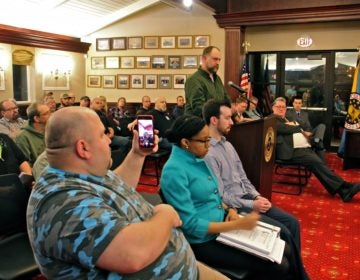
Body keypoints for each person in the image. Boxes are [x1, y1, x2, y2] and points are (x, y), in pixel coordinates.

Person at [26, 106, 228, 279]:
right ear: (83, 148)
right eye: (103, 134)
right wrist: (165, 215)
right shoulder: (62, 202)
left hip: (183, 268)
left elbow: (117, 186)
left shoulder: (82, 171)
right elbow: (133, 254)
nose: (108, 140)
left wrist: (138, 154)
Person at [161, 114, 297, 280]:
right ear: (185, 142)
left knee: (286, 249)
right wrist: (237, 225)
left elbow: (215, 195)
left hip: (223, 226)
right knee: (279, 265)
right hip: (203, 241)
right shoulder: (174, 171)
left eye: (208, 140)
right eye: (204, 141)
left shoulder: (196, 158)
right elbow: (191, 225)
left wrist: (230, 209)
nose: (209, 146)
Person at [203, 100, 309, 280]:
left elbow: (243, 178)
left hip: (249, 198)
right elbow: (222, 196)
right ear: (214, 120)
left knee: (293, 223)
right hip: (236, 206)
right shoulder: (208, 153)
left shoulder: (228, 145)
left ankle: (295, 272)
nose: (232, 122)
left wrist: (258, 195)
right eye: (228, 118)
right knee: (283, 231)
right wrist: (252, 203)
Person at [272, 97, 360, 202]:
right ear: (273, 107)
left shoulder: (286, 118)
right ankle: (344, 187)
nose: (281, 109)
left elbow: (300, 126)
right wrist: (294, 126)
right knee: (316, 162)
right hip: (288, 151)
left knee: (318, 163)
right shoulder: (272, 119)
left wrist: (294, 125)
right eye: (278, 107)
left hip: (300, 148)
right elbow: (286, 129)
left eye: (283, 107)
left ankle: (343, 190)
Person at [185, 46, 231, 117]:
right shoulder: (194, 79)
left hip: (216, 124)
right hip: (198, 125)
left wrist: (235, 112)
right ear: (204, 59)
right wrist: (220, 116)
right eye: (215, 59)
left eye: (219, 60)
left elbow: (226, 100)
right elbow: (199, 109)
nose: (218, 62)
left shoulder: (217, 79)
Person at [286, 96, 326, 161]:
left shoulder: (305, 114)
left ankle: (316, 140)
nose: (297, 105)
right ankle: (317, 143)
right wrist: (304, 132)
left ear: (302, 104)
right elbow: (293, 126)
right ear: (293, 104)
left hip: (308, 133)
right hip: (299, 134)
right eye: (296, 103)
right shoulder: (288, 114)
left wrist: (309, 132)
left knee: (322, 126)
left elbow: (308, 126)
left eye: (299, 103)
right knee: (320, 144)